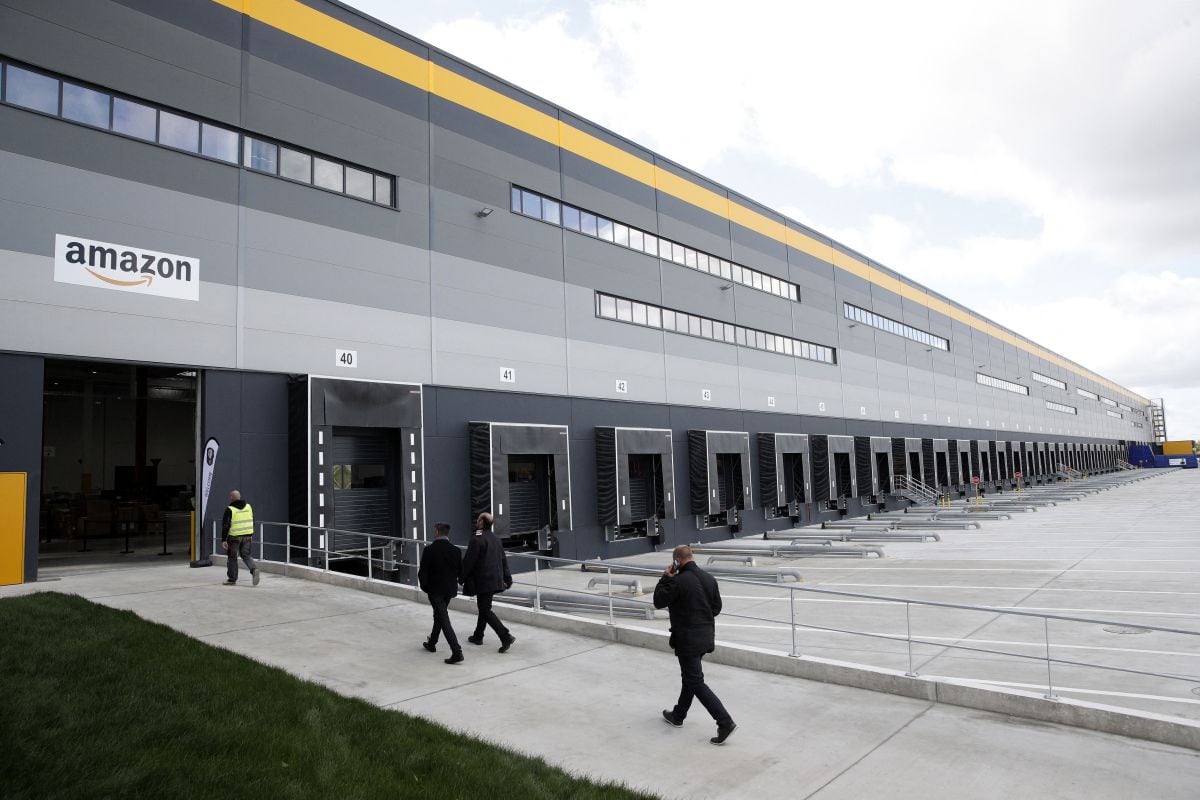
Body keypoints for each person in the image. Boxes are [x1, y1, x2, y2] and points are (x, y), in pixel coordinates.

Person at [654, 544, 736, 745]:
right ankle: (678, 715)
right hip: (706, 637)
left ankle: (724, 722)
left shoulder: (678, 581)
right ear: (692, 557)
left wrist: (666, 577)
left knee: (695, 681)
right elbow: (716, 608)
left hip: (687, 639)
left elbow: (658, 601)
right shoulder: (709, 579)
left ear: (677, 561)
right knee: (690, 678)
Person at [460, 512, 515, 653]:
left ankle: (505, 635)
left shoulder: (476, 539)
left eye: (478, 520)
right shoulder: (496, 538)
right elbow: (503, 560)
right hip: (494, 580)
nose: (476, 521)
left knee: (485, 610)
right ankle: (478, 635)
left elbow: (468, 562)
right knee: (484, 608)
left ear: (482, 523)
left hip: (482, 581)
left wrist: (461, 577)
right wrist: (508, 579)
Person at [418, 522, 464, 664]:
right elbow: (460, 571)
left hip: (435, 590)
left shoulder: (429, 550)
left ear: (437, 532)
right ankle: (432, 643)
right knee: (440, 615)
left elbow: (423, 572)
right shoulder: (456, 551)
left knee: (443, 619)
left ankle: (457, 651)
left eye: (434, 531)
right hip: (449, 590)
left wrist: (426, 588)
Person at [221, 489, 260, 587]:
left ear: (231, 498)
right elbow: (252, 520)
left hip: (234, 538)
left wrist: (223, 540)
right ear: (240, 497)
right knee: (246, 555)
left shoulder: (230, 509)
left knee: (232, 557)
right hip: (247, 536)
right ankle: (254, 569)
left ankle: (232, 579)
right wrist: (250, 534)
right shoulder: (248, 507)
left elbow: (226, 526)